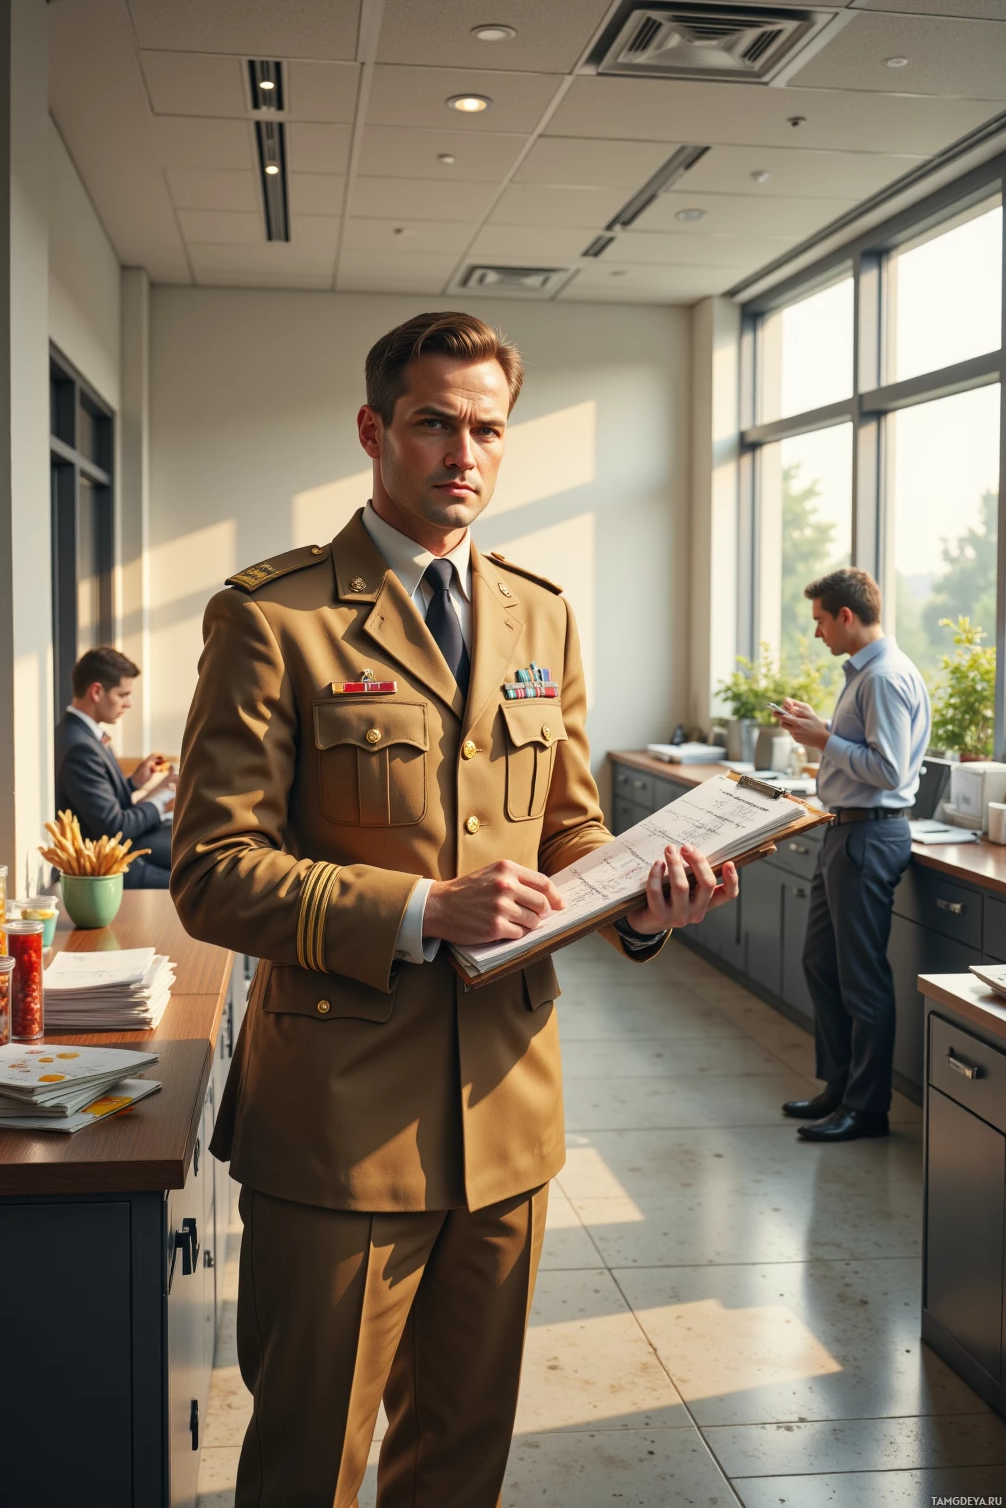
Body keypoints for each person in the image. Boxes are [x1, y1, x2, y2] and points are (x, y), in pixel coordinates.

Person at [170, 311, 739, 1508]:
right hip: (336, 1131)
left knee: (459, 1467)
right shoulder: (274, 616)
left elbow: (570, 828)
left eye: (486, 428)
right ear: (376, 431)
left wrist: (644, 900)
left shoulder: (540, 613)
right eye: (434, 423)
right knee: (309, 1468)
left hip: (507, 1118)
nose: (462, 453)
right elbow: (213, 868)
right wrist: (425, 908)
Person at [778, 567, 931, 1143]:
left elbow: (889, 770)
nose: (817, 633)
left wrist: (823, 740)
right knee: (822, 962)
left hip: (869, 835)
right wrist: (820, 733)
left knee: (862, 978)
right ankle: (839, 1086)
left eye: (820, 621)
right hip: (844, 832)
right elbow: (864, 755)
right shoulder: (864, 676)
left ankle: (866, 1109)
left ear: (845, 615)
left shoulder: (884, 678)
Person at [54, 647, 176, 889]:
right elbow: (114, 827)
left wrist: (133, 784)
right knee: (198, 879)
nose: (128, 704)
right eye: (123, 695)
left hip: (123, 852)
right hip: (112, 868)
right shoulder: (80, 747)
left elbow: (100, 808)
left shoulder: (85, 735)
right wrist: (164, 795)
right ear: (96, 691)